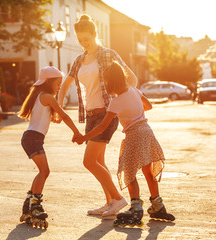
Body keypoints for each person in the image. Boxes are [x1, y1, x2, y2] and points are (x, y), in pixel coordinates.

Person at [73, 61, 175, 227]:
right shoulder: (134, 91)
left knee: (129, 172)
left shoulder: (115, 103)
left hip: (134, 135)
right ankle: (158, 206)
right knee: (148, 172)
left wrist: (84, 138)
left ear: (109, 83)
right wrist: (135, 110)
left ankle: (136, 208)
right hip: (147, 131)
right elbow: (148, 106)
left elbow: (102, 127)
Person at [57, 13, 138, 218]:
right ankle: (110, 203)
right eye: (80, 40)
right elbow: (65, 84)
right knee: (99, 163)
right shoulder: (79, 60)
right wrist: (59, 106)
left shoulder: (108, 54)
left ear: (95, 34)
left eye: (87, 39)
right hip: (91, 115)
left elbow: (132, 78)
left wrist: (122, 99)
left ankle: (118, 199)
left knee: (89, 161)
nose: (84, 43)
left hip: (106, 114)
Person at [18, 66, 81, 228]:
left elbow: (51, 116)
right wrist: (76, 133)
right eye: (58, 83)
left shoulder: (40, 96)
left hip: (30, 137)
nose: (60, 87)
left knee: (42, 172)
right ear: (49, 82)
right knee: (44, 171)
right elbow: (65, 116)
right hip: (33, 138)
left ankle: (29, 203)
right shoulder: (47, 97)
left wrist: (54, 117)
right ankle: (35, 206)